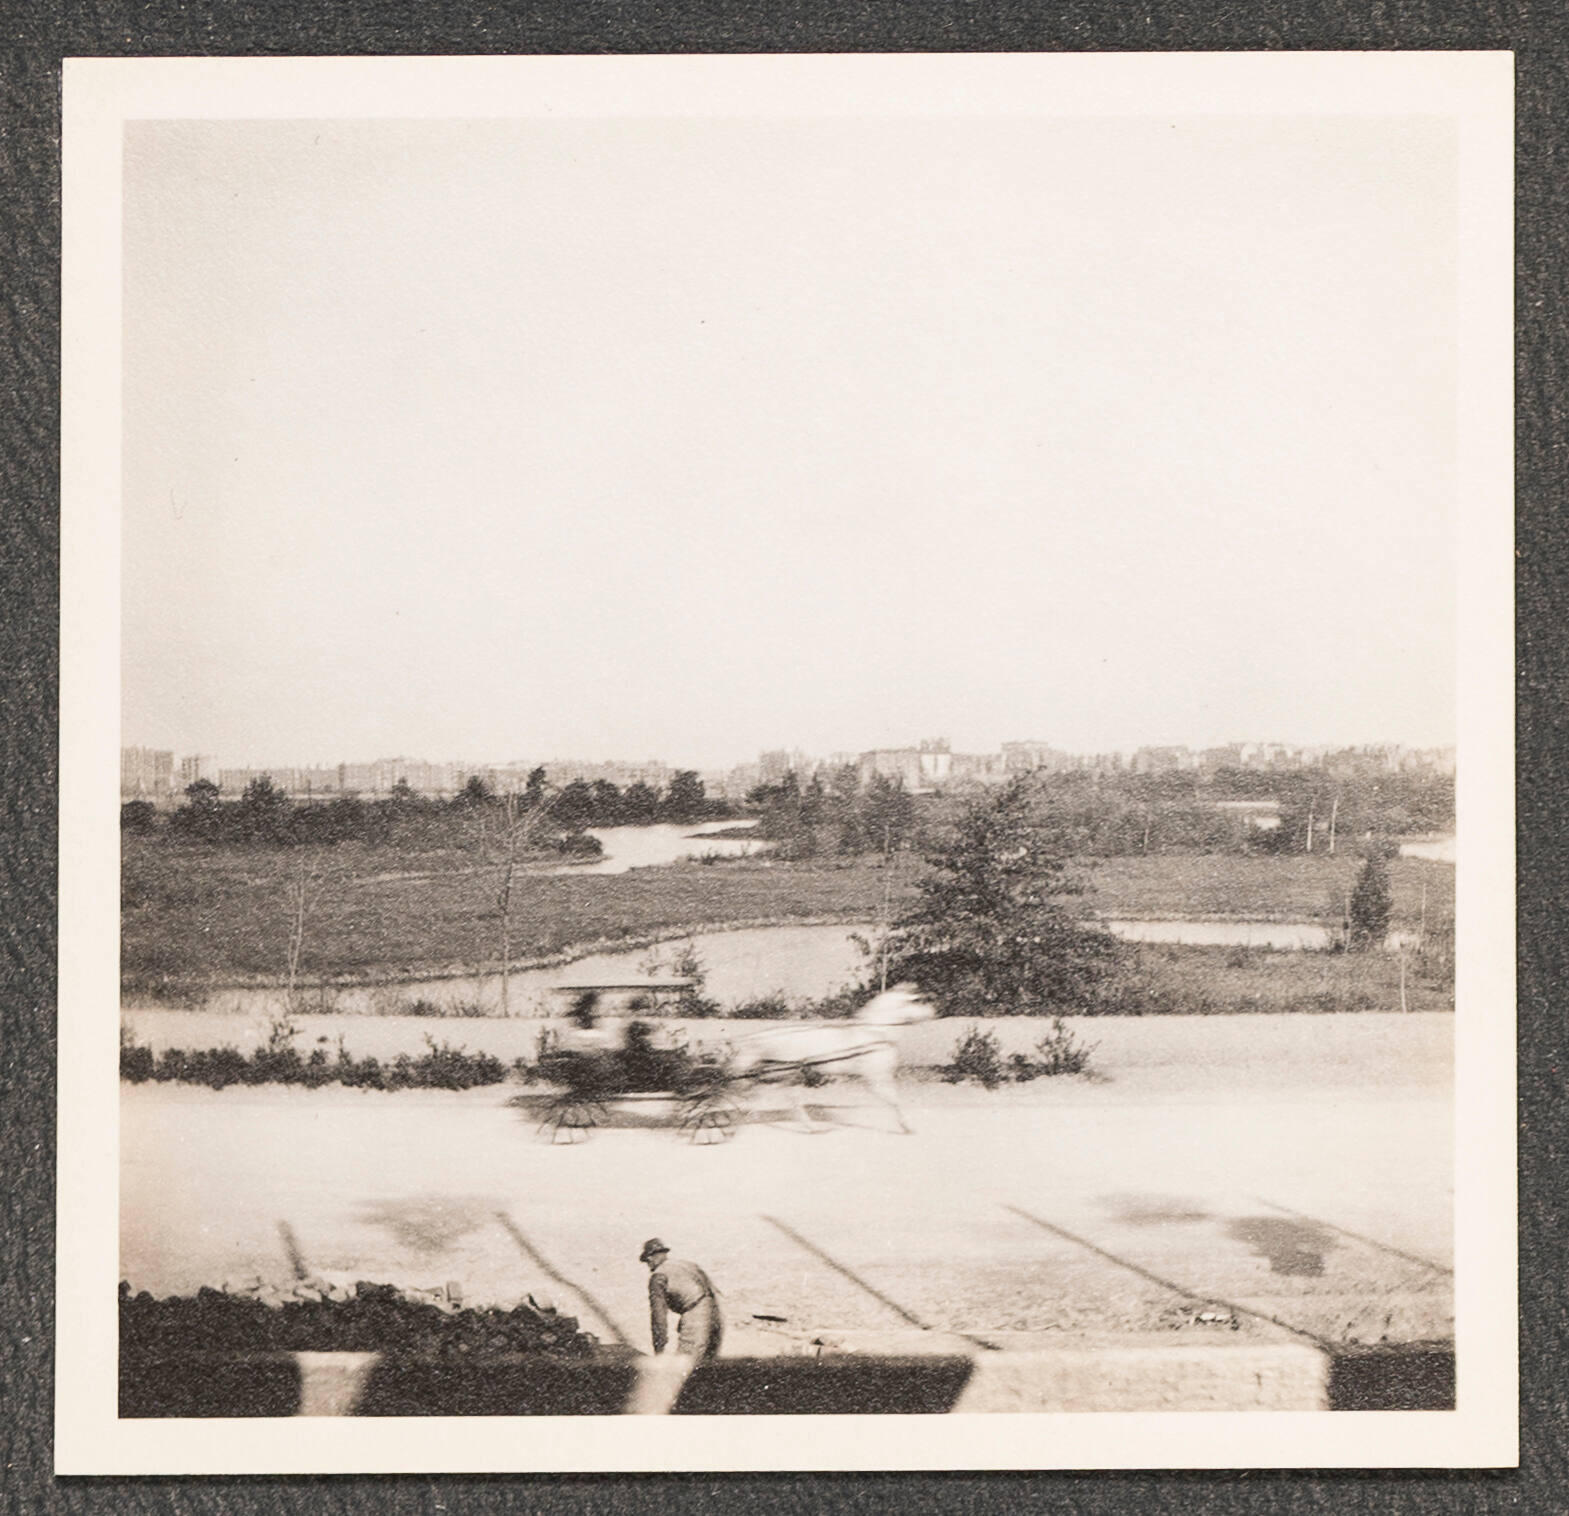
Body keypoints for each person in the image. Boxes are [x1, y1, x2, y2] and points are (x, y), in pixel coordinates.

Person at [640, 1238, 723, 1359]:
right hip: (716, 1313)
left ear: (651, 1257)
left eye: (648, 1261)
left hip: (697, 1317)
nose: (648, 1265)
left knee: (685, 1364)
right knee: (707, 1365)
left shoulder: (658, 1276)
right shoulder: (685, 1264)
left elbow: (658, 1316)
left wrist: (659, 1349)